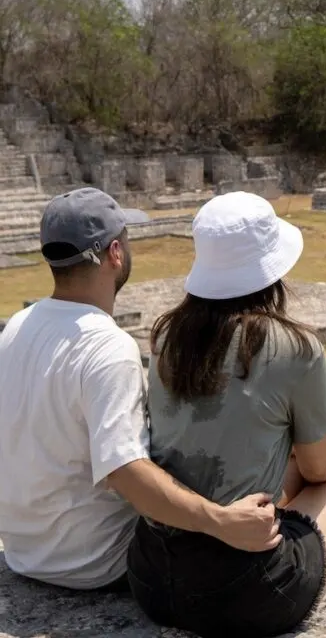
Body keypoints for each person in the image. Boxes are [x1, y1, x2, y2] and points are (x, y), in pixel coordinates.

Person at [127, 191, 326, 638]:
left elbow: (223, 437)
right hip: (242, 594)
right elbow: (321, 468)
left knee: (287, 469)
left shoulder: (167, 337)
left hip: (153, 577)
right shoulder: (294, 349)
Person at [0, 187, 281, 593]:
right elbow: (126, 471)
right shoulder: (108, 347)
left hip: (26, 553)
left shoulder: (16, 328)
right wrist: (221, 522)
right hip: (97, 562)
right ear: (116, 253)